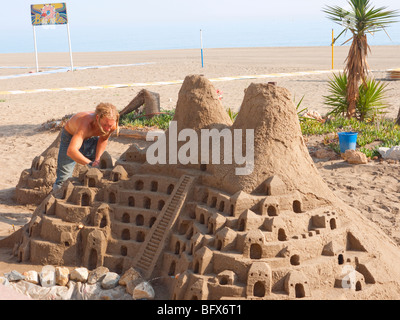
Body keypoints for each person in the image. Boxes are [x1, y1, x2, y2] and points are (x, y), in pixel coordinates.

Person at [53, 102, 119, 191]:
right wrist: (90, 164)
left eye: (110, 126)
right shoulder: (85, 124)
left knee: (96, 173)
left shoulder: (112, 126)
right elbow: (71, 151)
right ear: (97, 118)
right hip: (70, 136)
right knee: (63, 180)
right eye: (105, 125)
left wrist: (97, 159)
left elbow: (103, 139)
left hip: (92, 138)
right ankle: (56, 195)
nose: (107, 129)